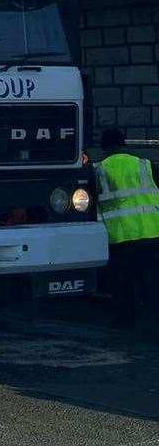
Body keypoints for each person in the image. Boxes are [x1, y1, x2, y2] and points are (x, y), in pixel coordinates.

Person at [96, 127, 159, 325]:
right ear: (123, 144)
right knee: (151, 282)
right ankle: (153, 320)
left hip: (121, 236)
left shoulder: (99, 170)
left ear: (104, 147)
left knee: (123, 283)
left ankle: (126, 320)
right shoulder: (144, 164)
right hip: (152, 232)